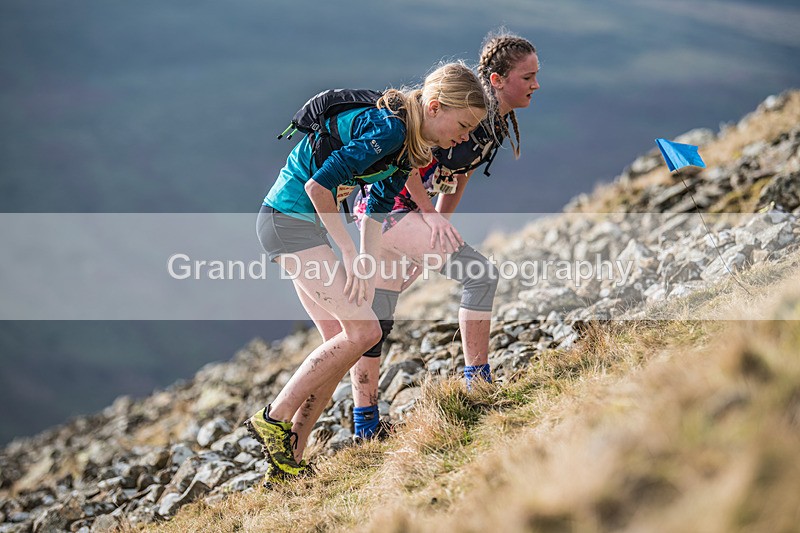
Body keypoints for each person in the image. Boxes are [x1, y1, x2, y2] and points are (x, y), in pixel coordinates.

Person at [246, 62, 489, 482]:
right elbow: (317, 187)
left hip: (301, 226)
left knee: (338, 347)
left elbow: (376, 209)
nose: (465, 137)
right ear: (434, 107)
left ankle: (289, 461)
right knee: (365, 332)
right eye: (463, 124)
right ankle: (274, 417)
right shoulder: (390, 130)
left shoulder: (412, 145)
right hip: (289, 222)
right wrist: (347, 249)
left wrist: (366, 259)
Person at [348, 31, 540, 440]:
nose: (536, 84)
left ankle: (365, 424)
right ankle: (479, 383)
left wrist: (439, 222)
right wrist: (428, 218)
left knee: (379, 315)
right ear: (497, 80)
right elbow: (413, 160)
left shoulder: (495, 123)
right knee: (481, 275)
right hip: (388, 208)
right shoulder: (467, 110)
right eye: (528, 76)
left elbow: (457, 177)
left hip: (392, 213)